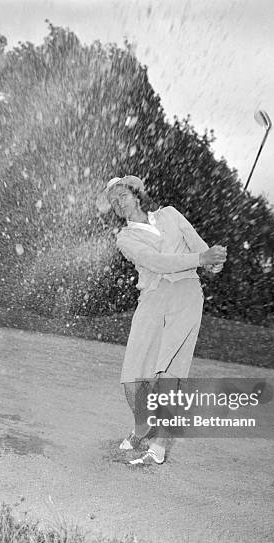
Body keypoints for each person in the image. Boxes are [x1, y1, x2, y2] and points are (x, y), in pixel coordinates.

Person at [105, 175, 226, 465]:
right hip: (153, 297)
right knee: (133, 380)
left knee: (170, 375)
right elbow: (157, 263)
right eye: (113, 201)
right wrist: (202, 259)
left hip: (186, 295)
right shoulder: (126, 237)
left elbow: (203, 251)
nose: (118, 203)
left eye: (122, 195)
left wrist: (215, 261)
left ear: (136, 194)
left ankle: (158, 447)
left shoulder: (171, 214)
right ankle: (142, 426)